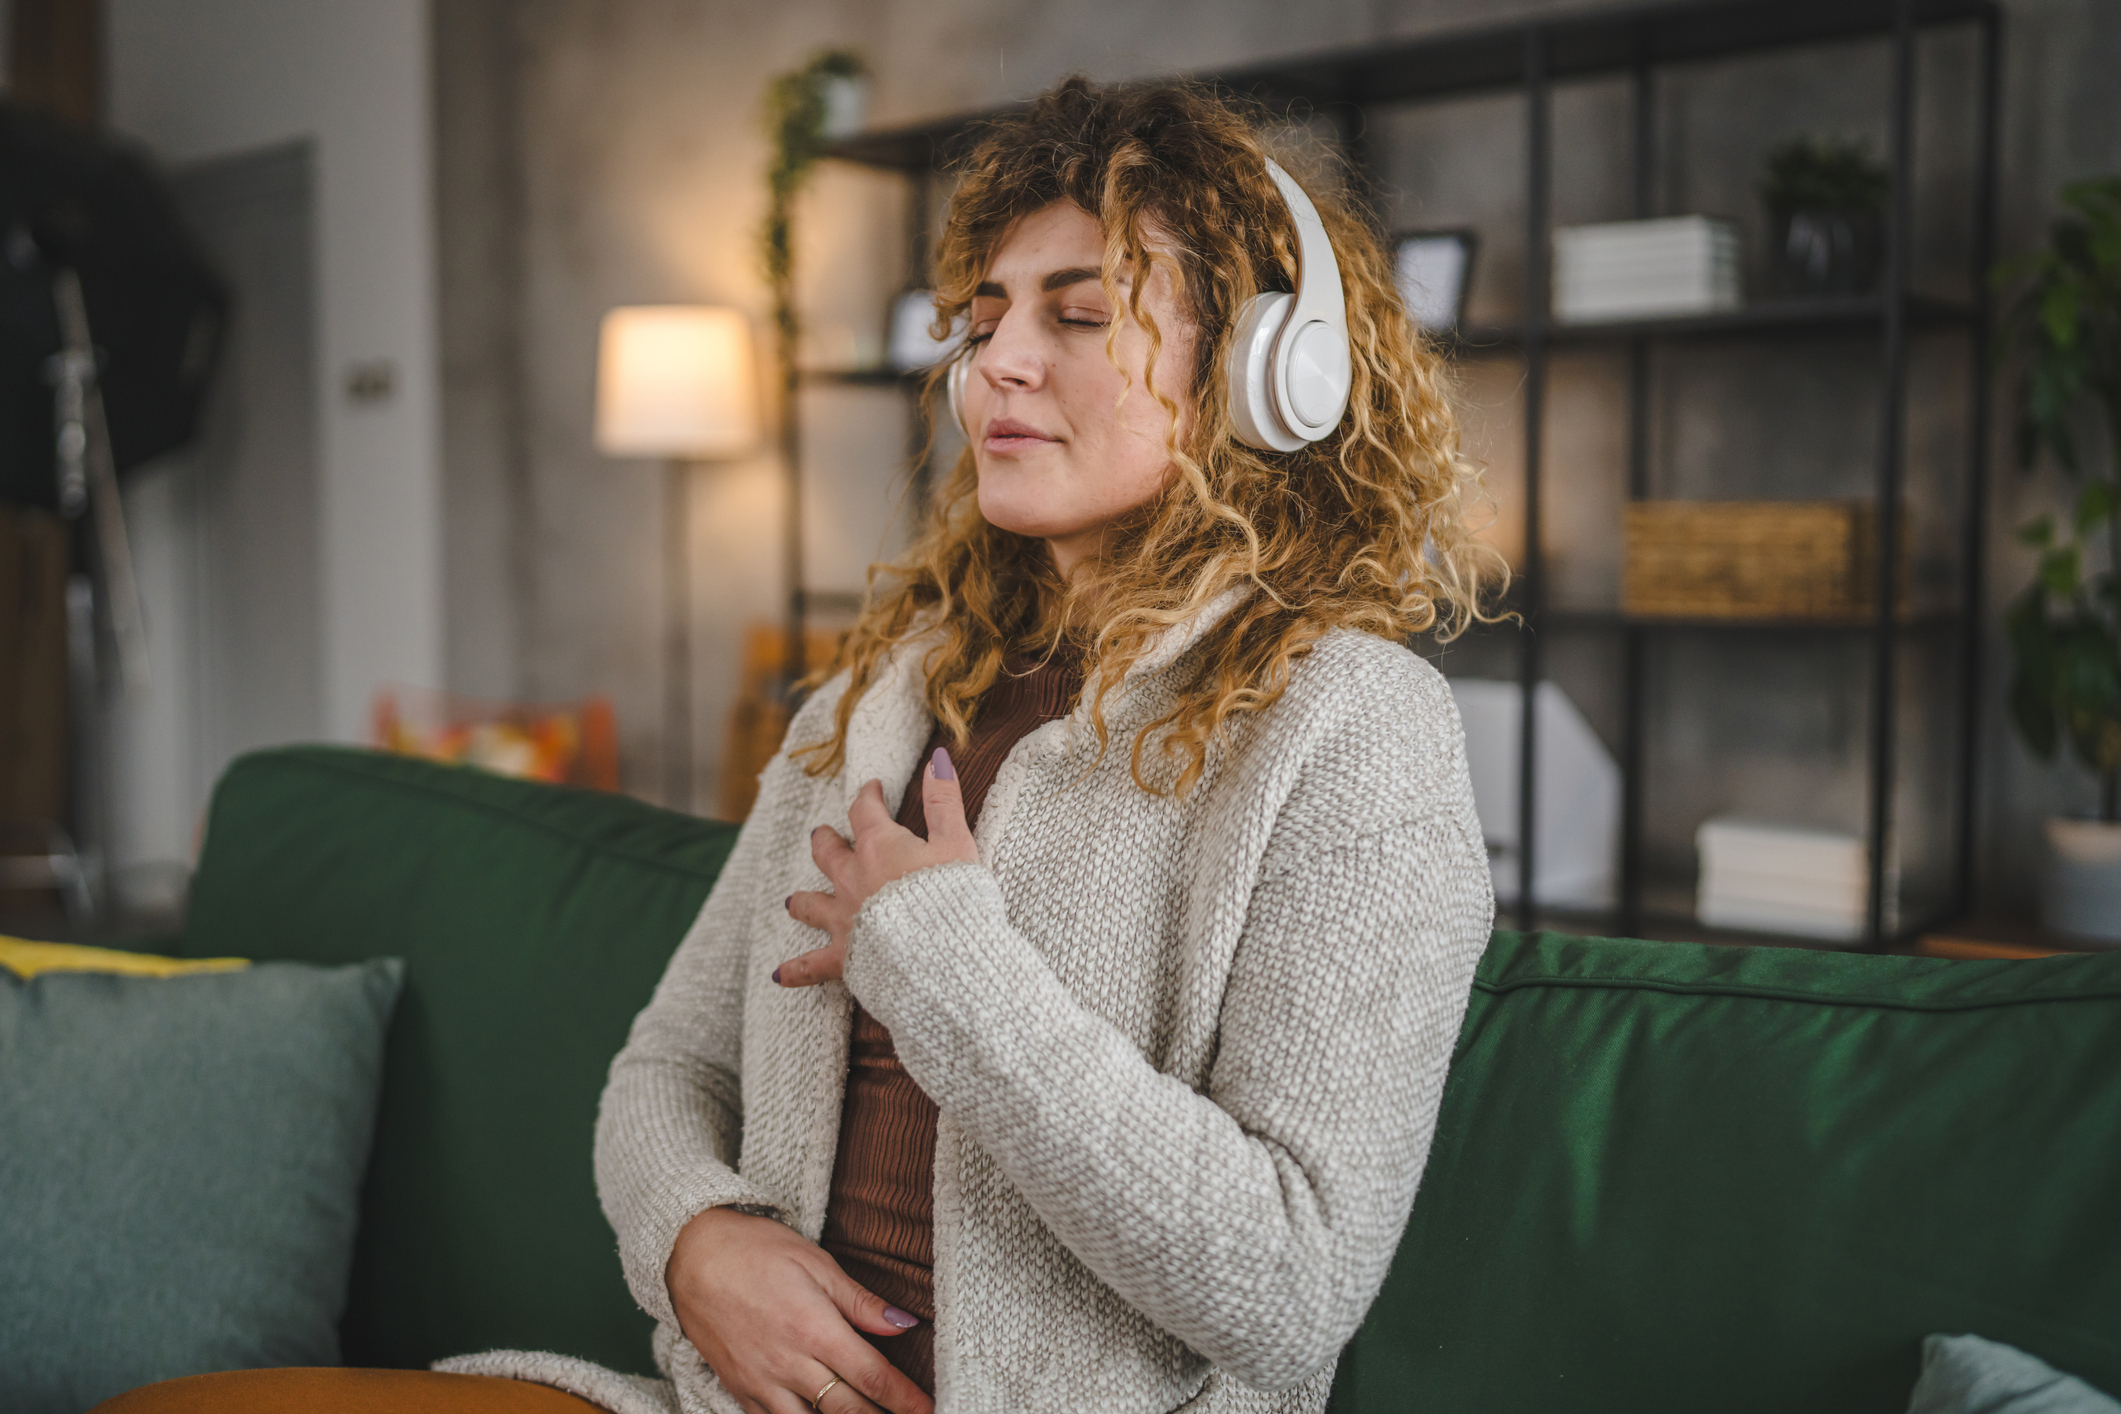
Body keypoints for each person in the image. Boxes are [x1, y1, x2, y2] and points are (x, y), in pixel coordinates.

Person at [106, 74, 1498, 1414]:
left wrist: (939, 955)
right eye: (988, 312)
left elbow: (1289, 1279)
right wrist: (694, 1239)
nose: (997, 360)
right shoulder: (885, 694)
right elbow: (665, 1070)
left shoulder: (1348, 728)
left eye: (1079, 314)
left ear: (1266, 374)